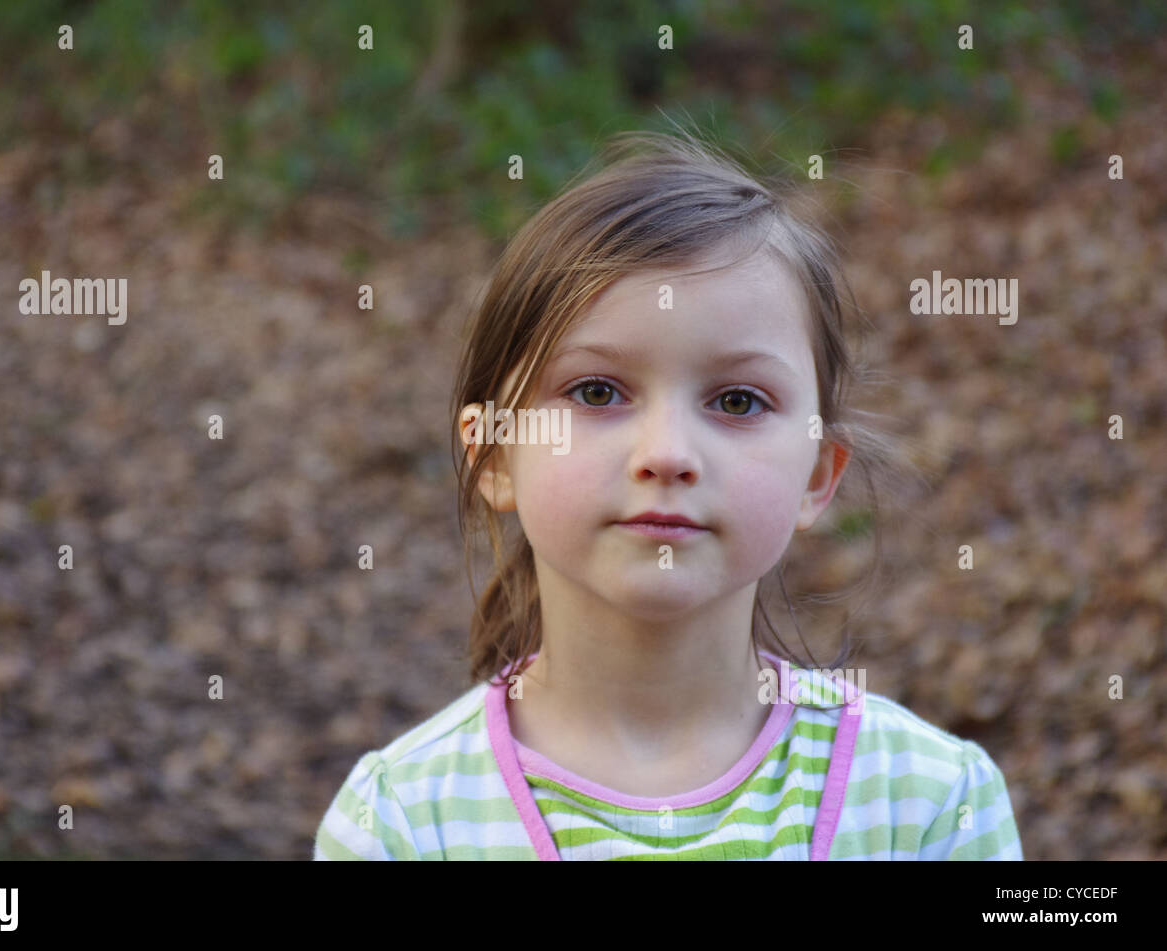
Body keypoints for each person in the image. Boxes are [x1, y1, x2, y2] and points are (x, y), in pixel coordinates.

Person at [313, 128, 1023, 860]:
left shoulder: (932, 806)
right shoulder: (399, 824)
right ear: (494, 454)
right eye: (596, 391)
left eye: (739, 401)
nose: (667, 454)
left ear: (816, 473)